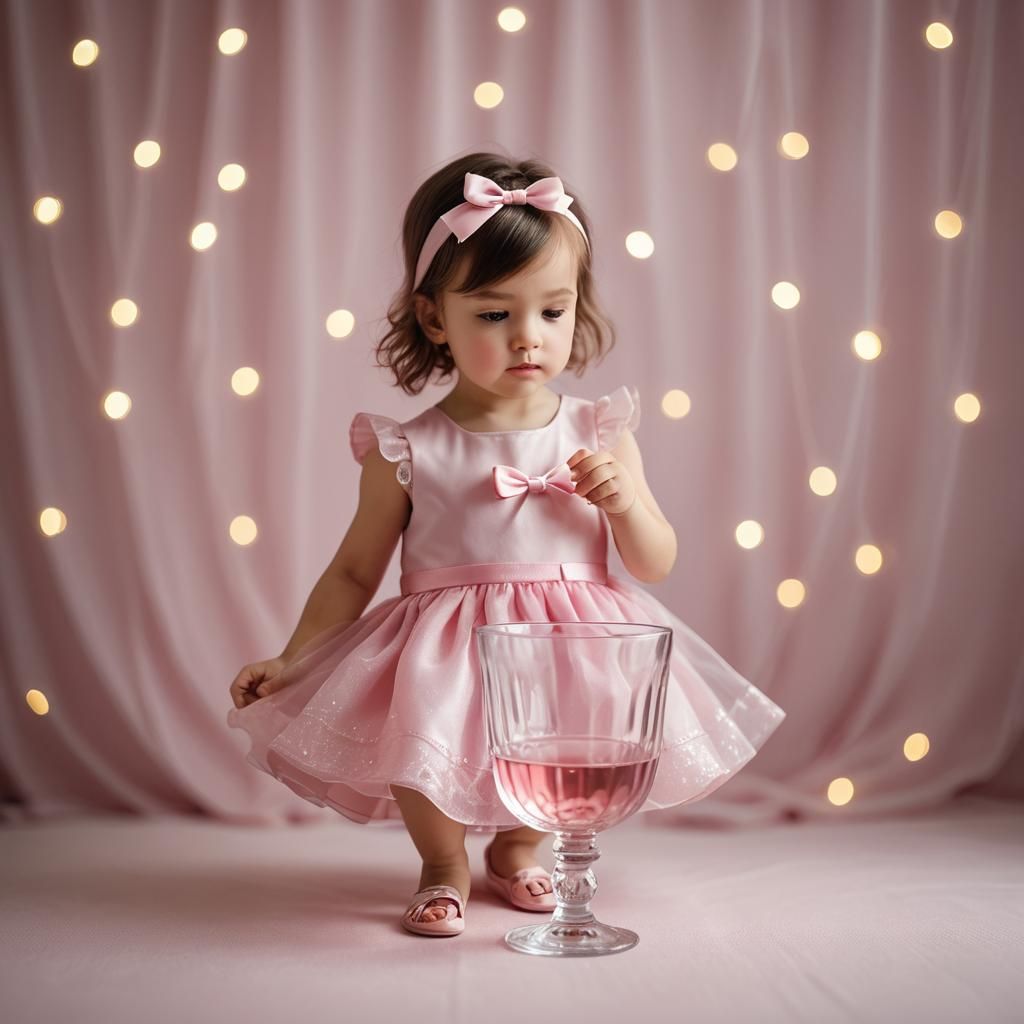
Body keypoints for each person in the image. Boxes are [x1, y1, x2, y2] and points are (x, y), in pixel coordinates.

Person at [226, 152, 786, 937]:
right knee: (425, 732)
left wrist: (624, 505)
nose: (529, 337)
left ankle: (521, 849)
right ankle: (443, 863)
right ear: (434, 318)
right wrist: (295, 657)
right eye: (495, 315)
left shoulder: (599, 429)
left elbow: (655, 560)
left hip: (572, 638)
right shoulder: (409, 448)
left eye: (552, 312)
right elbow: (354, 571)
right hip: (446, 638)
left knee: (565, 740)